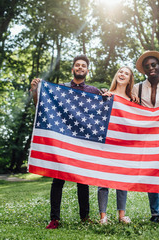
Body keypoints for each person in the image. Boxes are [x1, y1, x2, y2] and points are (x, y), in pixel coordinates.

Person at [30, 55, 100, 229]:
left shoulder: (94, 91)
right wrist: (34, 91)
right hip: (63, 140)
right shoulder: (60, 89)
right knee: (57, 180)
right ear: (73, 69)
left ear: (87, 70)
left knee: (83, 181)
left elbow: (103, 112)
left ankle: (85, 217)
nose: (80, 67)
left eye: (83, 66)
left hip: (84, 142)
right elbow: (41, 107)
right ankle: (55, 219)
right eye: (77, 65)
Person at [132, 51, 159, 225]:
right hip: (146, 136)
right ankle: (155, 213)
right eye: (147, 66)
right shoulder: (138, 88)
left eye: (153, 65)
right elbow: (125, 102)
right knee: (151, 173)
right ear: (144, 70)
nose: (151, 68)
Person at [98, 66, 134, 224]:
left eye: (126, 73)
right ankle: (103, 216)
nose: (122, 74)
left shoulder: (132, 100)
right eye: (120, 72)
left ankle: (121, 215)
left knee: (122, 180)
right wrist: (103, 100)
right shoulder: (107, 94)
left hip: (124, 143)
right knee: (103, 180)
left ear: (129, 79)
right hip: (107, 141)